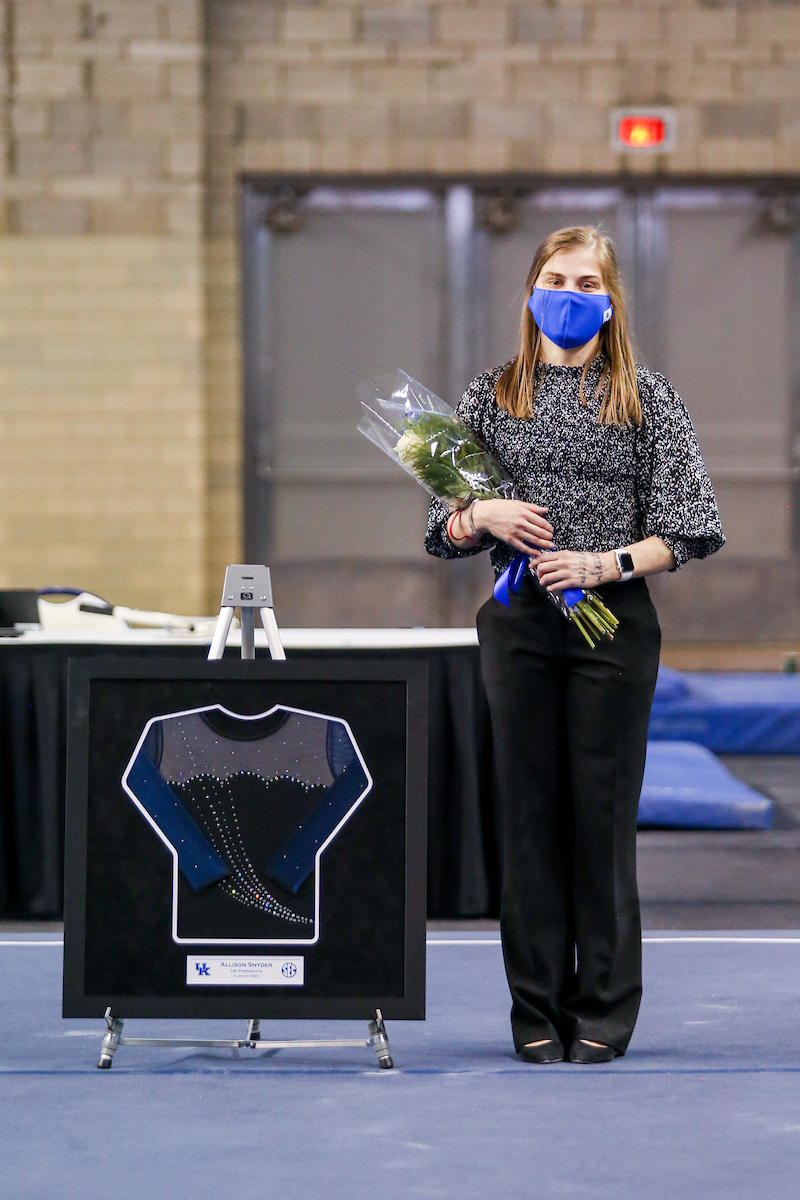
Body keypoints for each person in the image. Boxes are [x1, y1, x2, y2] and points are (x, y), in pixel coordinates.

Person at [425, 225, 724, 1065]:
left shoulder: (646, 397)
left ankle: (604, 1007)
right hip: (519, 622)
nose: (570, 294)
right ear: (531, 291)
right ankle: (534, 1007)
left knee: (601, 817)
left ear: (611, 300)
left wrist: (604, 564)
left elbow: (691, 528)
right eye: (556, 279)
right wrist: (480, 514)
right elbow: (441, 532)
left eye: (587, 283)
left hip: (613, 626)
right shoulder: (491, 395)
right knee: (528, 819)